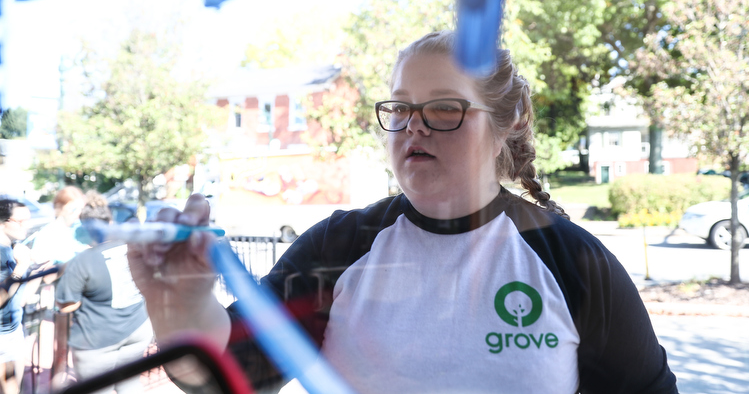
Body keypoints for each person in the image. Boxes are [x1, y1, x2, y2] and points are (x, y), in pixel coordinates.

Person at [129, 30, 678, 393]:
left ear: (507, 122)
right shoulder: (339, 248)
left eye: (443, 108)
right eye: (399, 107)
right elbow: (220, 375)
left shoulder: (574, 263)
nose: (413, 125)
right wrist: (179, 305)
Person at [55, 191, 153, 394]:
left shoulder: (83, 261)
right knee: (130, 385)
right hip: (138, 330)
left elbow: (66, 304)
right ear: (109, 222)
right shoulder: (133, 247)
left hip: (98, 341)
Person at [0, 199, 33, 394]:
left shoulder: (13, 247)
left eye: (28, 220)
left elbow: (18, 298)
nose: (27, 226)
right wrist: (21, 268)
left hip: (13, 329)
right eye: (21, 221)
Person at [28, 186, 89, 265]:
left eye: (81, 209)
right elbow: (40, 266)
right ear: (59, 207)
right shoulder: (48, 233)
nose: (78, 213)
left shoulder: (80, 228)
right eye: (73, 209)